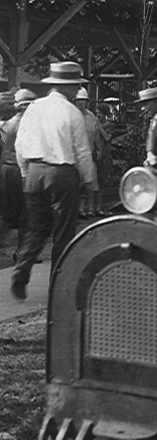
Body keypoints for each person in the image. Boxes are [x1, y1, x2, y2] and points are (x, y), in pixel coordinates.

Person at [11, 62, 96, 300]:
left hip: (34, 172)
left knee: (36, 228)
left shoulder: (34, 108)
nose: (78, 88)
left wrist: (26, 172)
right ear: (68, 87)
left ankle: (21, 270)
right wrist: (89, 179)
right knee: (63, 232)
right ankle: (58, 286)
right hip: (61, 174)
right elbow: (81, 151)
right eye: (76, 84)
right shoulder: (73, 114)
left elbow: (20, 145)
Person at [0, 89, 36, 263]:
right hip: (20, 172)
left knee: (7, 215)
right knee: (26, 214)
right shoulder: (28, 125)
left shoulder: (6, 125)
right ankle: (21, 252)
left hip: (6, 171)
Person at [74, 88, 102, 218]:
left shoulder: (91, 116)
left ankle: (90, 208)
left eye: (83, 101)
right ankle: (79, 209)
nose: (81, 103)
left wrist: (99, 149)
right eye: (78, 100)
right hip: (75, 155)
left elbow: (96, 134)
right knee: (78, 184)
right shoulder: (72, 114)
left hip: (89, 153)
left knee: (91, 183)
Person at [94, 102, 114, 215]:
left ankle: (98, 207)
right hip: (95, 154)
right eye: (96, 113)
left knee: (101, 182)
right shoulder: (95, 123)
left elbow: (107, 138)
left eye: (100, 113)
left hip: (105, 155)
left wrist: (99, 126)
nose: (98, 116)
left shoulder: (109, 125)